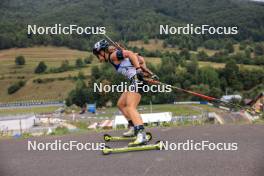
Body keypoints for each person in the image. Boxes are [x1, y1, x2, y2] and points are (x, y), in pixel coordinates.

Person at [92, 39, 158, 146]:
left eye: (97, 55)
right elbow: (138, 58)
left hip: (136, 79)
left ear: (102, 52)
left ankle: (141, 135)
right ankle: (133, 127)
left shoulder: (113, 55)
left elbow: (131, 54)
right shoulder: (112, 58)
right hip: (135, 80)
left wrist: (139, 70)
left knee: (130, 107)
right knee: (121, 104)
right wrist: (144, 71)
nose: (98, 58)